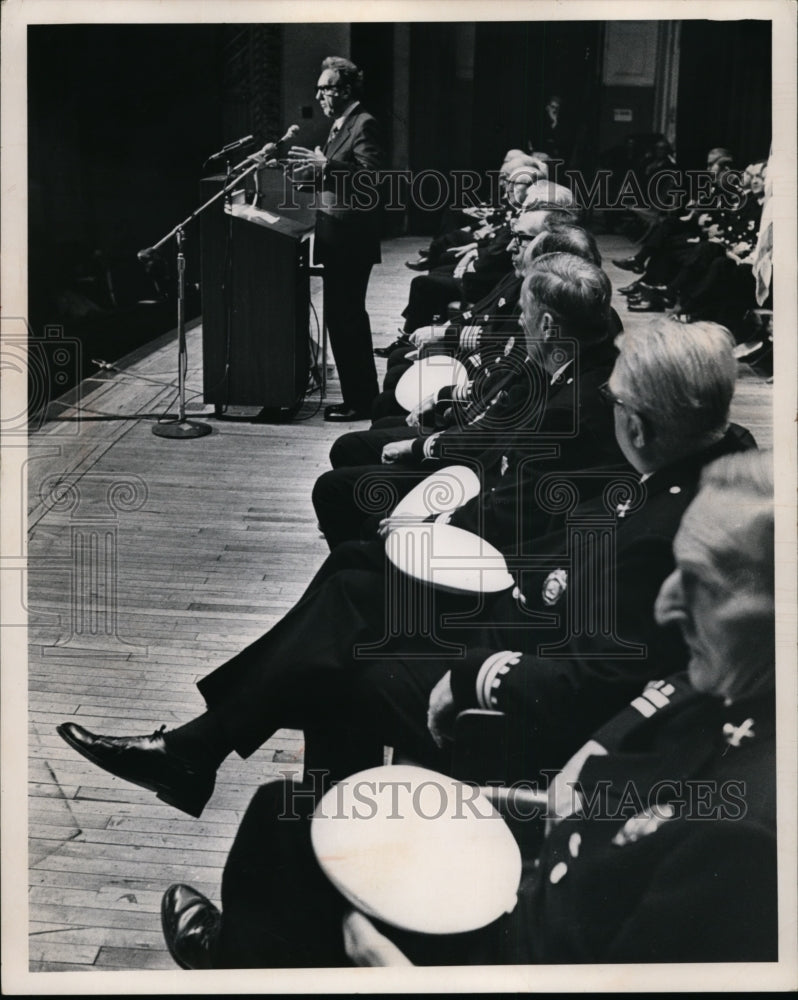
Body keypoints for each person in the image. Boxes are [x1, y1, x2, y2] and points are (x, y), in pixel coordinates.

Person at [55, 318, 754, 817]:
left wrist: (475, 666)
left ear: (638, 423)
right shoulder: (708, 468)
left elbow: (600, 673)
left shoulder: (669, 520)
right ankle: (201, 756)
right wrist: (563, 569)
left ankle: (313, 841)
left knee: (340, 669)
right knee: (357, 585)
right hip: (541, 618)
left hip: (533, 677)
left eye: (618, 404)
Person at [157, 448, 777, 968]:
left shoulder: (745, 838)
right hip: (542, 874)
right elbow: (645, 724)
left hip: (511, 947)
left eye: (700, 581)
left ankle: (240, 956)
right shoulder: (734, 688)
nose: (668, 606)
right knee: (282, 815)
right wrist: (580, 771)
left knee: (295, 822)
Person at [286, 56, 383, 422]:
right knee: (341, 320)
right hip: (337, 235)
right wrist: (307, 177)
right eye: (320, 89)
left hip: (350, 239)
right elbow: (341, 177)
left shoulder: (364, 124)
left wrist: (324, 166)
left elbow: (371, 179)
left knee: (347, 320)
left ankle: (361, 401)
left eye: (325, 88)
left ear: (345, 90)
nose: (319, 95)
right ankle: (358, 396)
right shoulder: (342, 124)